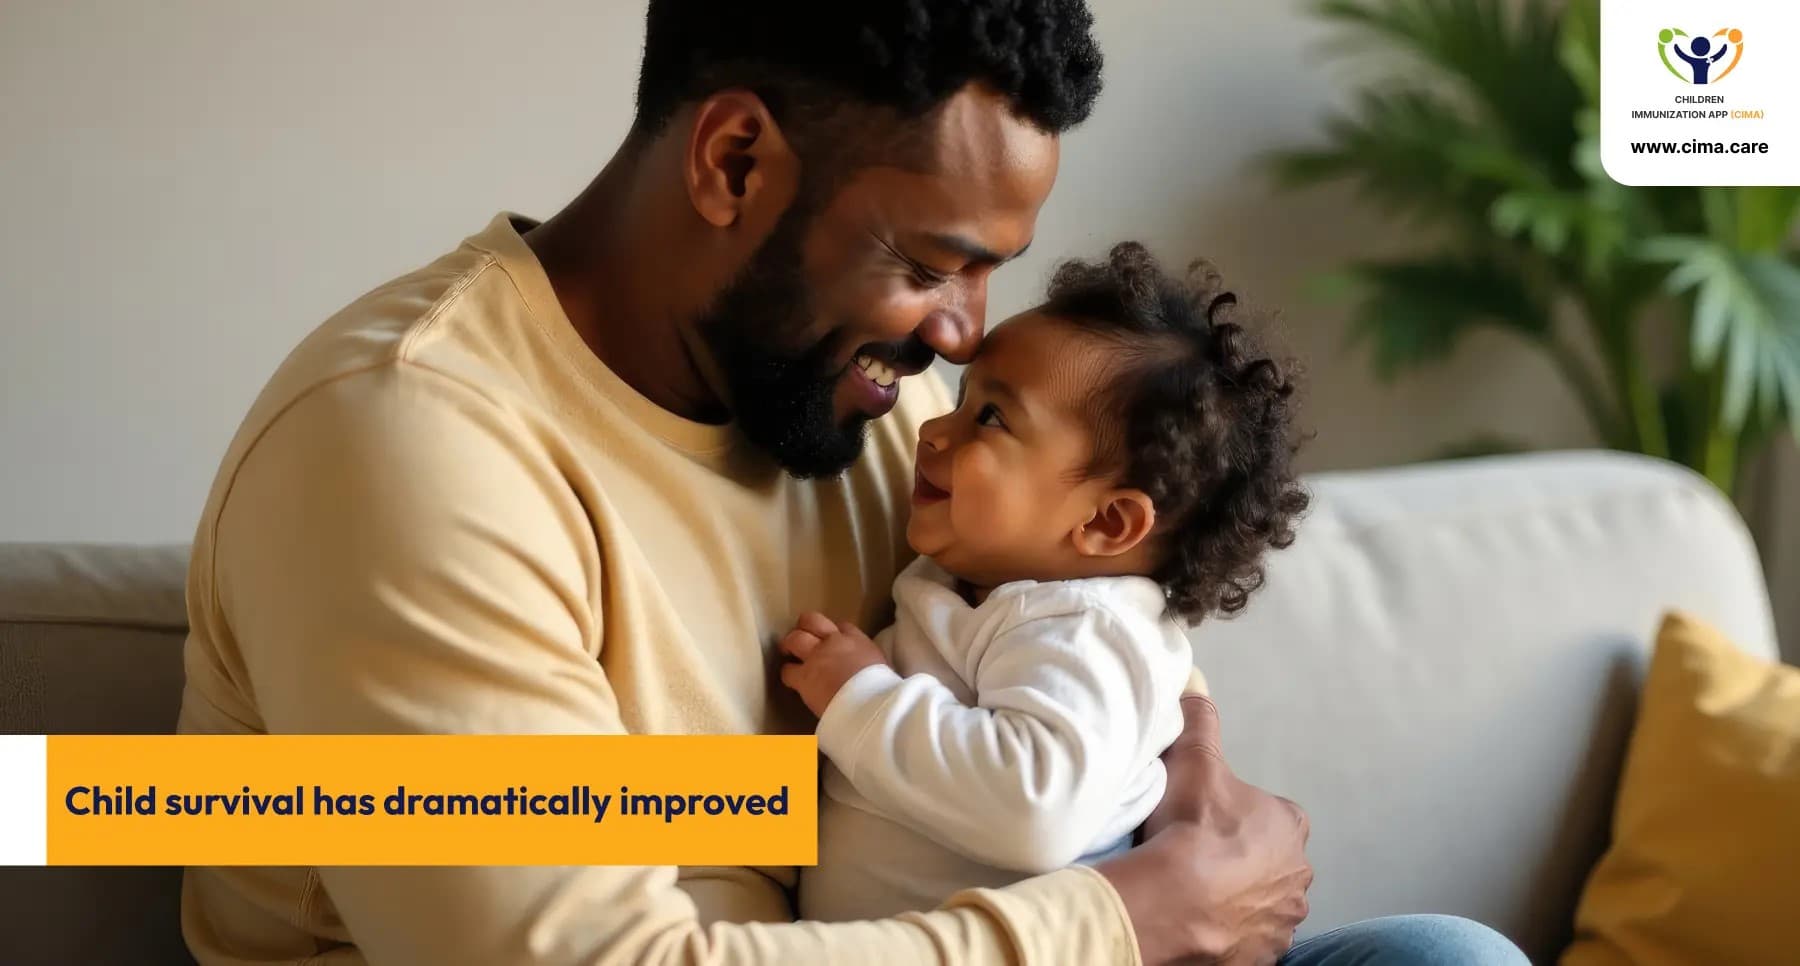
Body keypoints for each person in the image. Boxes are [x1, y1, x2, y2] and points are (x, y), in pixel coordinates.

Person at [174, 2, 1525, 963]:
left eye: (991, 269)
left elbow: (1140, 712)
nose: (961, 333)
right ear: (734, 162)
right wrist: (1125, 920)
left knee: (1443, 958)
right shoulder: (409, 445)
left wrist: (1194, 848)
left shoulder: (886, 403)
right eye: (931, 263)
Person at [782, 244, 1305, 922]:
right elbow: (614, 810)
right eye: (925, 259)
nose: (934, 428)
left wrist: (861, 698)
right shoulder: (992, 577)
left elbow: (1036, 808)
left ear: (1110, 522)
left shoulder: (1078, 623)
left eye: (988, 418)